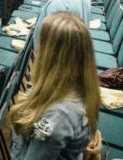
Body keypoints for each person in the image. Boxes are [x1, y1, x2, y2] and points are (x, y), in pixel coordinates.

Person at [10, 12, 100, 159]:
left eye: (41, 44)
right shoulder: (81, 87)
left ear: (51, 55)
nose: (37, 50)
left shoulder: (57, 116)